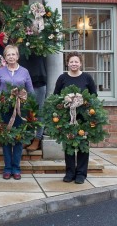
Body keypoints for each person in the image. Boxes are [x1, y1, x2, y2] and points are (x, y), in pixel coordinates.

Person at [53, 51, 97, 184]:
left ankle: (81, 174)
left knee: (83, 144)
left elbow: (94, 96)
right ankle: (70, 172)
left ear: (81, 63)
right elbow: (55, 96)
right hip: (68, 118)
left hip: (84, 118)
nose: (73, 64)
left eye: (76, 61)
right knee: (69, 145)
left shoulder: (87, 78)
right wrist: (64, 100)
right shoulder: (62, 78)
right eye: (71, 61)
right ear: (67, 63)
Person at [0, 45, 34, 180]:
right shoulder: (1, 72)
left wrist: (26, 99)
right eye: (8, 55)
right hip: (5, 110)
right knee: (6, 139)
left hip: (20, 111)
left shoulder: (25, 72)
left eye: (13, 54)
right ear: (5, 57)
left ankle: (16, 168)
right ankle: (7, 168)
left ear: (17, 56)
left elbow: (31, 91)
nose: (11, 57)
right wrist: (5, 94)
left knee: (18, 139)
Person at [19, 53, 47, 151]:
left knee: (39, 111)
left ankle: (37, 139)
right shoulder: (17, 41)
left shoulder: (39, 42)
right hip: (23, 81)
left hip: (38, 80)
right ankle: (28, 137)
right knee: (26, 112)